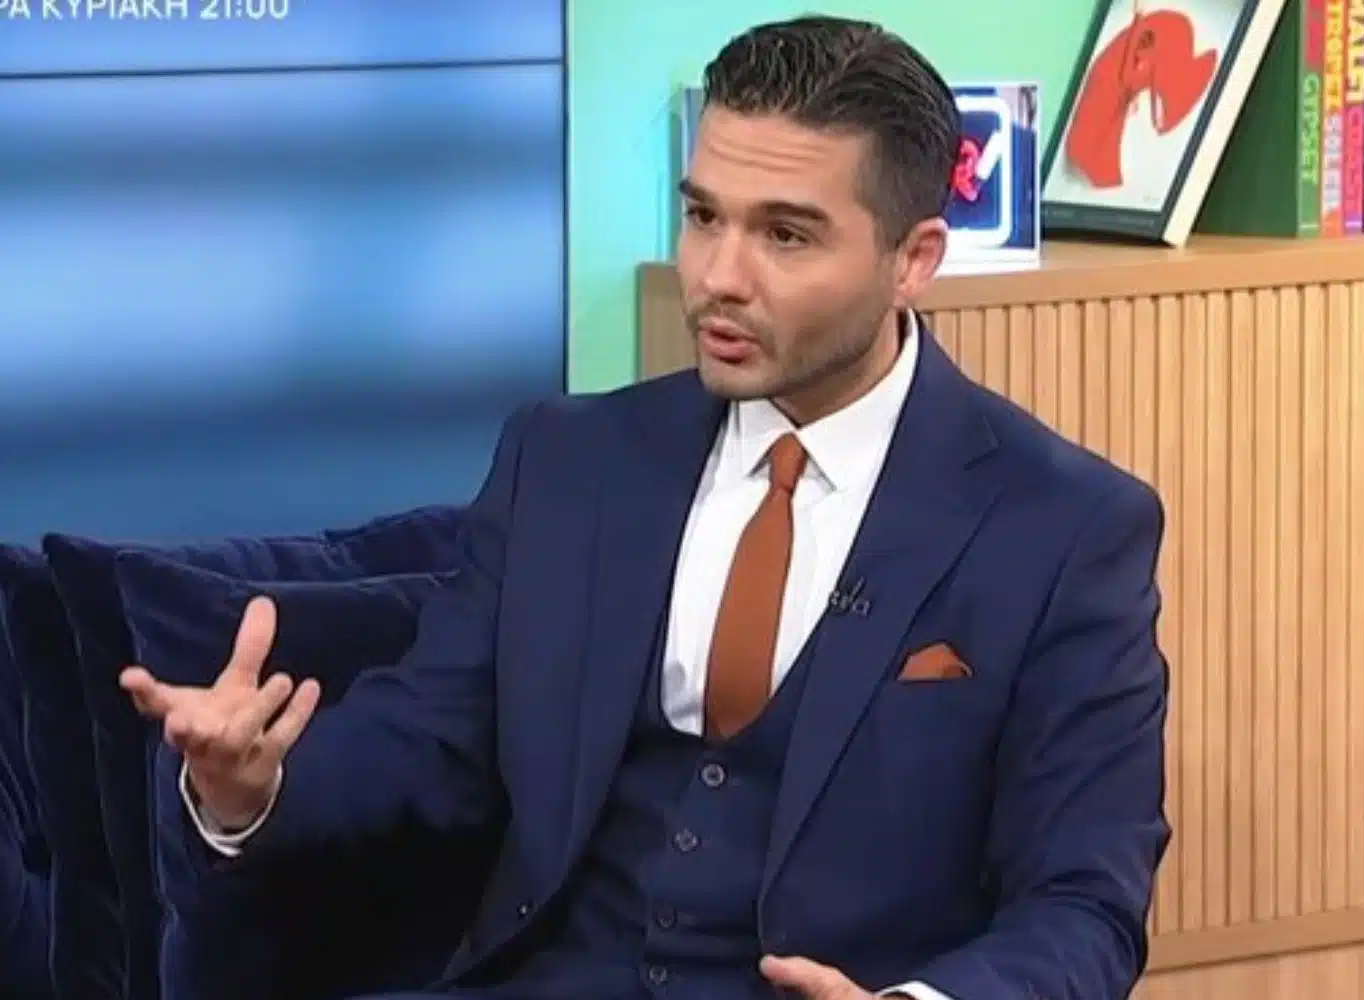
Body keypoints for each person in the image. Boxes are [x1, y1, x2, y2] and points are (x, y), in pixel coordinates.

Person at [120, 15, 1170, 1000]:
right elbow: (433, 737)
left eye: (786, 236)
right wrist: (252, 786)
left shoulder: (1065, 528)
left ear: (915, 260)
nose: (718, 277)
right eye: (704, 215)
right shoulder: (569, 459)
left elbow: (1084, 900)